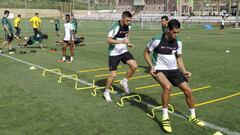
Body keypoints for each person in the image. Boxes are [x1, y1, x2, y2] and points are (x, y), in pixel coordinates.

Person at [144, 19, 204, 133]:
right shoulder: (157, 39)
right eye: (174, 32)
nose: (176, 35)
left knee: (188, 91)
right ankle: (165, 117)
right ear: (168, 30)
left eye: (178, 33)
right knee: (167, 87)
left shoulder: (178, 42)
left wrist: (184, 71)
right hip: (159, 69)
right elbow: (146, 52)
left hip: (173, 70)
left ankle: (193, 116)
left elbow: (179, 58)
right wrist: (151, 66)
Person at [103, 11, 138, 102]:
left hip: (123, 51)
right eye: (127, 20)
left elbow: (126, 35)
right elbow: (108, 40)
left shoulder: (129, 26)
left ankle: (124, 81)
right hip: (114, 53)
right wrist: (122, 42)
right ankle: (106, 91)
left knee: (134, 65)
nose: (129, 22)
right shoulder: (115, 26)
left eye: (130, 20)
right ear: (122, 18)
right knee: (113, 75)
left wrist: (128, 43)